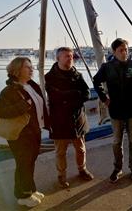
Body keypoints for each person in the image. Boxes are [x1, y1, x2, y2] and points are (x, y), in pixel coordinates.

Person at [93, 38, 132, 183]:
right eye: (121, 50)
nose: (124, 52)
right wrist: (104, 98)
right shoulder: (107, 67)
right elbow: (96, 81)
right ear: (114, 52)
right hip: (116, 111)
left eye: (126, 49)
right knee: (116, 141)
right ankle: (117, 168)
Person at [0, 57, 49, 207]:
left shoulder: (31, 85)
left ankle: (30, 189)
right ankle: (22, 196)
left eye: (31, 67)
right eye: (27, 67)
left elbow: (40, 106)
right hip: (20, 135)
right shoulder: (9, 90)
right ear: (17, 70)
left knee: (30, 162)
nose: (31, 70)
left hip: (34, 131)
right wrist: (22, 106)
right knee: (23, 164)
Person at [45, 47, 93, 188]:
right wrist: (74, 94)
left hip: (77, 119)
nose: (70, 58)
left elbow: (87, 94)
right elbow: (54, 97)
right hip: (59, 121)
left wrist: (67, 96)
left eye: (71, 56)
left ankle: (82, 170)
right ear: (58, 58)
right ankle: (61, 175)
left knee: (81, 149)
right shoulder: (49, 77)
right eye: (66, 56)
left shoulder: (77, 75)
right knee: (61, 152)